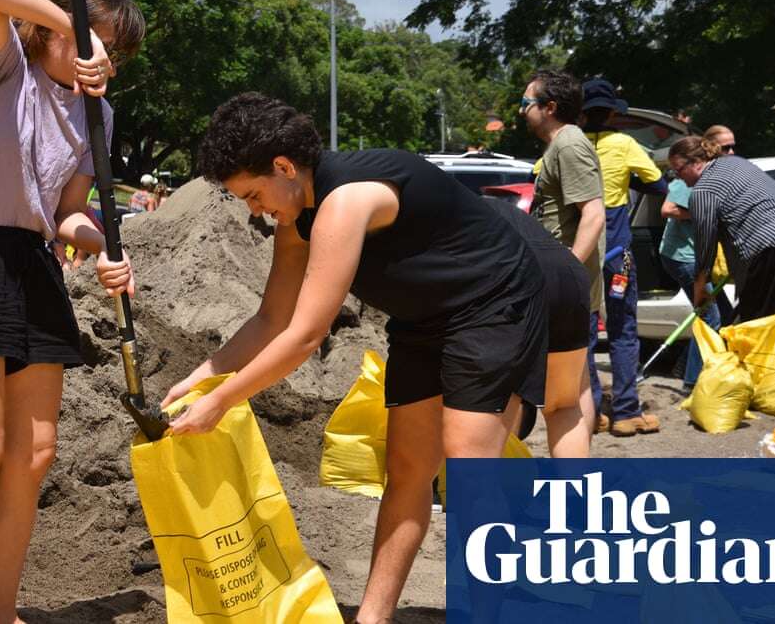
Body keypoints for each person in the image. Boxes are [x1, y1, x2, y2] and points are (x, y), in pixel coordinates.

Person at [162, 92, 549, 624]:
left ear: (283, 166)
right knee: (407, 467)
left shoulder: (346, 199)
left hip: (493, 301)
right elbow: (271, 319)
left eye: (253, 194)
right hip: (422, 320)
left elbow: (305, 334)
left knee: (466, 462)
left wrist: (223, 401)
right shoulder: (295, 218)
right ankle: (372, 617)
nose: (253, 210)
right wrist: (201, 377)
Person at [0, 0, 143, 622]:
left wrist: (102, 248)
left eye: (117, 51)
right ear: (53, 30)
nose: (107, 59)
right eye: (100, 40)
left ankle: (0, 608)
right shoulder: (2, 64)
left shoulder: (100, 114)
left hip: (34, 265)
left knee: (35, 453)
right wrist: (74, 21)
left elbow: (66, 212)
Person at [670, 135, 775, 379]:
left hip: (773, 246)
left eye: (678, 170)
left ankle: (768, 385)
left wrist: (699, 286)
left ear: (696, 162)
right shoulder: (737, 163)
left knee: (762, 324)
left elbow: (705, 242)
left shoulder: (704, 189)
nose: (679, 179)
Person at [580, 79, 668, 436]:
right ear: (614, 112)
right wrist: (627, 180)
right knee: (623, 331)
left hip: (580, 252)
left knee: (584, 335)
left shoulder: (565, 145)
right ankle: (627, 413)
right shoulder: (624, 143)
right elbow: (659, 185)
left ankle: (592, 414)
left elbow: (538, 180)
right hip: (617, 252)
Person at [521, 70, 606, 438]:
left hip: (564, 286)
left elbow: (594, 212)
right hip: (563, 284)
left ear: (550, 107)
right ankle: (577, 477)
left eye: (526, 103)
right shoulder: (562, 145)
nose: (521, 111)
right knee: (576, 389)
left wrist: (566, 272)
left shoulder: (570, 144)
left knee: (561, 398)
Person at [488, 197, 594, 457]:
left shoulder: (447, 224)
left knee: (500, 397)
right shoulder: (496, 210)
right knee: (563, 405)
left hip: (517, 274)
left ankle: (497, 489)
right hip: (568, 272)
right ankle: (574, 493)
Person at [658, 131, 730, 391]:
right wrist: (702, 214)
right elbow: (667, 209)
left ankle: (686, 364)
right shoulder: (687, 178)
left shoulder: (713, 177)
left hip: (696, 256)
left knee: (724, 315)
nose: (731, 152)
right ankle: (692, 381)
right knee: (710, 317)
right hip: (683, 257)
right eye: (726, 147)